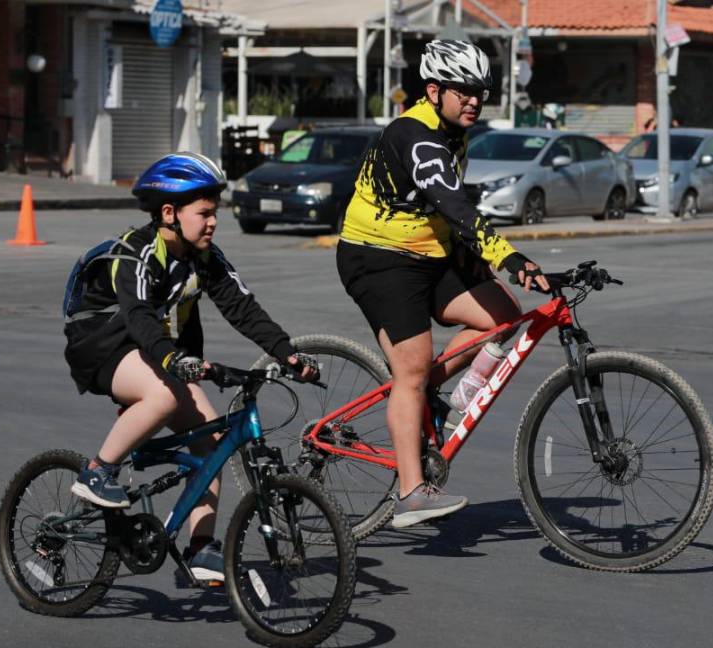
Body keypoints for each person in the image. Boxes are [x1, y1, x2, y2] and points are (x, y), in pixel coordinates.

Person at [63, 152, 319, 582]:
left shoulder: (205, 257)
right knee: (162, 395)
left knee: (214, 440)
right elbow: (140, 317)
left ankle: (201, 548)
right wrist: (174, 360)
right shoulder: (138, 251)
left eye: (214, 213)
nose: (213, 222)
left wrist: (286, 353)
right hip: (104, 346)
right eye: (204, 213)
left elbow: (242, 308)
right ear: (170, 212)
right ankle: (97, 472)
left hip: (156, 354)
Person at [336, 40, 551, 529]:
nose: (475, 100)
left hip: (430, 248)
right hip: (378, 257)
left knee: (504, 316)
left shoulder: (455, 131)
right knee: (410, 369)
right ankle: (411, 493)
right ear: (434, 91)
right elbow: (457, 206)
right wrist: (510, 256)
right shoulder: (415, 135)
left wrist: (497, 265)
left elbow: (447, 215)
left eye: (481, 92)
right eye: (464, 91)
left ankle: (433, 396)